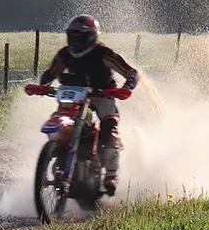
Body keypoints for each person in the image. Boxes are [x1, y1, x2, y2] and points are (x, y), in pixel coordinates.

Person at [35, 14, 139, 196]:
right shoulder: (65, 54)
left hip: (102, 94)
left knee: (109, 127)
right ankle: (57, 151)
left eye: (79, 37)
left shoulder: (104, 53)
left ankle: (111, 175)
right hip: (74, 94)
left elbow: (131, 72)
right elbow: (52, 73)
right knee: (57, 119)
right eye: (72, 36)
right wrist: (42, 85)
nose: (74, 41)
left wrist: (127, 87)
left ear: (91, 36)